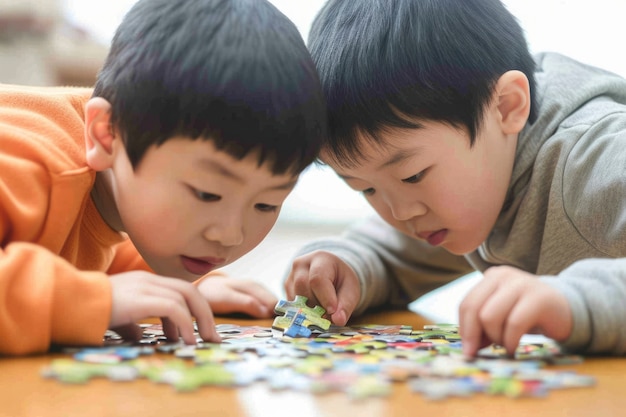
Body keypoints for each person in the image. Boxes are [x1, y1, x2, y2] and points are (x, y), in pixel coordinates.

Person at [284, 0, 626, 357]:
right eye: (366, 188)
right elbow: (390, 253)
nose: (400, 212)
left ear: (507, 106)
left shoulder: (598, 159)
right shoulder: (475, 180)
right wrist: (346, 266)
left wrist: (577, 301)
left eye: (413, 175)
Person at [0, 0, 326, 355]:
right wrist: (89, 299)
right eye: (206, 194)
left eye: (266, 204)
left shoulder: (112, 181)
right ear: (104, 134)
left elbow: (83, 244)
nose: (230, 234)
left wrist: (174, 288)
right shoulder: (26, 159)